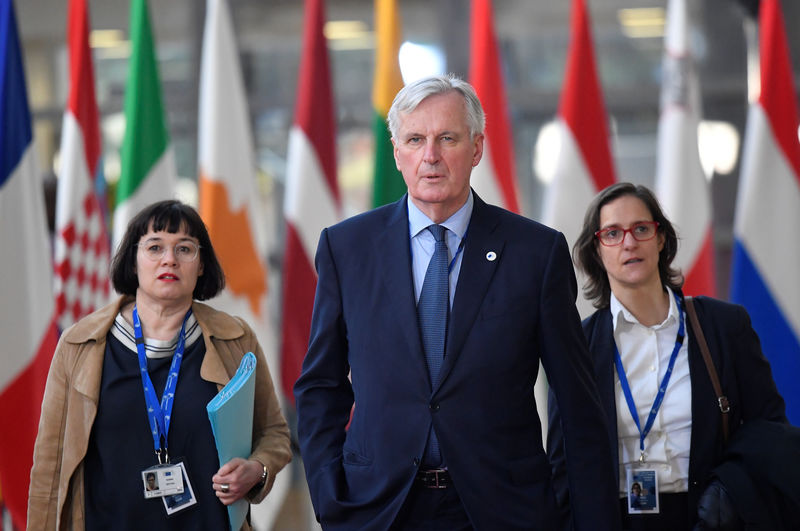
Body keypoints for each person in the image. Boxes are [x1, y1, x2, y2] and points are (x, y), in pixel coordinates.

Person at [294, 74, 620, 530]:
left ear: (477, 148)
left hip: (502, 511)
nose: (430, 156)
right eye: (415, 139)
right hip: (378, 510)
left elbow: (578, 404)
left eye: (447, 138)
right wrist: (331, 496)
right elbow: (320, 386)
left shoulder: (535, 253)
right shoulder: (346, 248)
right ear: (396, 153)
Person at [28, 200, 292, 530]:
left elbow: (274, 433)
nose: (170, 259)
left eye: (185, 248)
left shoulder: (235, 340)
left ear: (201, 265)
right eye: (155, 247)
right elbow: (49, 468)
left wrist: (258, 469)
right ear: (133, 261)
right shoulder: (79, 344)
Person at [547, 182, 787, 530]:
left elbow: (769, 430)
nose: (629, 242)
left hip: (709, 519)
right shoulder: (577, 345)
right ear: (597, 250)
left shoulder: (723, 326)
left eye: (641, 229)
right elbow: (562, 465)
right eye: (612, 233)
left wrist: (729, 492)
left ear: (661, 239)